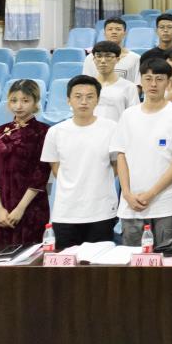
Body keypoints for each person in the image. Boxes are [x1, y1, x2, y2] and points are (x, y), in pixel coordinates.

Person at [112, 58, 172, 253]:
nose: (153, 84)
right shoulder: (128, 115)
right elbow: (121, 155)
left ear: (168, 82)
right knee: (133, 262)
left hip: (166, 205)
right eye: (148, 79)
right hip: (131, 205)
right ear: (141, 81)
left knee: (167, 262)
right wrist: (126, 193)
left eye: (159, 79)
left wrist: (151, 193)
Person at [40, 75, 119, 249]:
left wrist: (97, 181)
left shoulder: (112, 128)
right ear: (68, 99)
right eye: (78, 96)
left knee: (99, 262)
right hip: (66, 211)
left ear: (97, 100)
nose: (84, 102)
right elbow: (56, 168)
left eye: (90, 96)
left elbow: (117, 165)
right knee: (66, 262)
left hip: (101, 210)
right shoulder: (55, 132)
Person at [0, 79, 50, 248]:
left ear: (35, 102)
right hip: (3, 207)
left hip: (32, 206)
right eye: (13, 100)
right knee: (1, 255)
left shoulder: (44, 132)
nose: (18, 106)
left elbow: (41, 174)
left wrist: (20, 208)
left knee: (31, 256)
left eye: (25, 100)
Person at [91, 40, 141, 121]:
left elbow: (134, 116)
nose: (103, 61)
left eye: (108, 56)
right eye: (99, 56)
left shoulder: (129, 87)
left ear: (117, 59)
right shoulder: (87, 86)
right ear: (94, 59)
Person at [82, 17, 140, 83]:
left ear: (125, 34)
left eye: (118, 29)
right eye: (110, 29)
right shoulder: (90, 58)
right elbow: (86, 83)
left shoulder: (135, 58)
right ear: (104, 33)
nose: (114, 32)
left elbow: (138, 84)